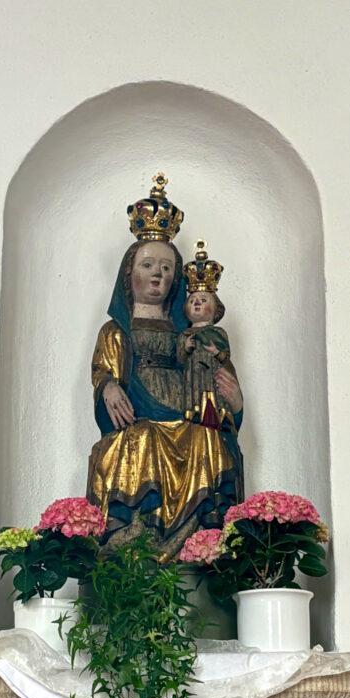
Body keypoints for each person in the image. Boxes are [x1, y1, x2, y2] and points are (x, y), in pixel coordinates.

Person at [86, 174, 244, 560]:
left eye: (167, 268)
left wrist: (234, 402)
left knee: (208, 441)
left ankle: (203, 545)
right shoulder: (116, 330)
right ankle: (136, 541)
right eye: (148, 265)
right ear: (129, 274)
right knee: (137, 440)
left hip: (187, 413)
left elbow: (216, 380)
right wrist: (108, 386)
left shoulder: (191, 333)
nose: (158, 273)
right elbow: (104, 372)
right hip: (140, 418)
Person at [177, 241, 237, 431]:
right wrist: (186, 348)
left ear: (215, 308)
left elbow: (226, 358)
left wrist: (216, 352)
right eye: (192, 300)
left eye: (203, 300)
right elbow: (179, 360)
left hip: (212, 377)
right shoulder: (184, 334)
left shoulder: (218, 333)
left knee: (214, 409)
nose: (196, 303)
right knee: (194, 410)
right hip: (192, 380)